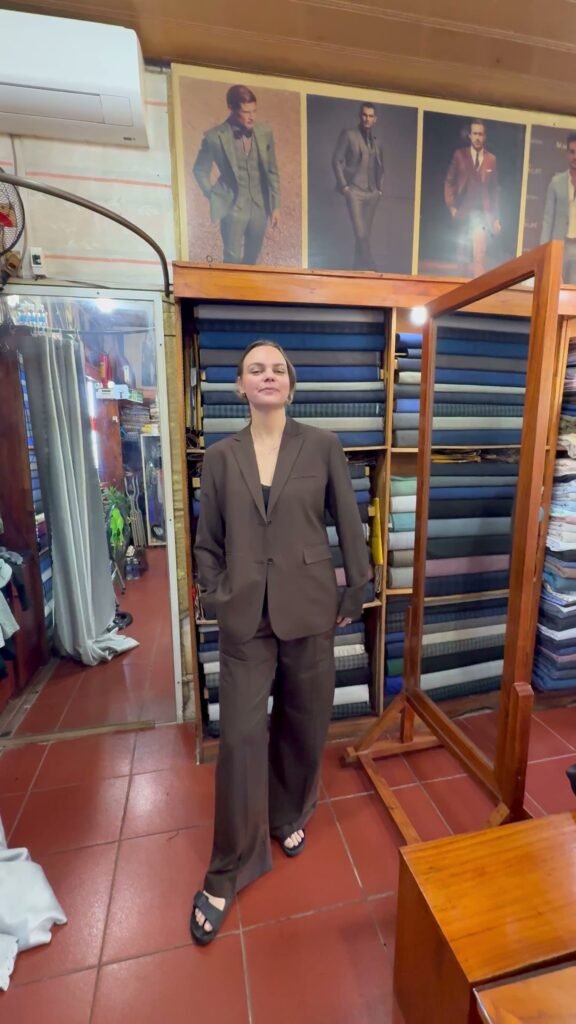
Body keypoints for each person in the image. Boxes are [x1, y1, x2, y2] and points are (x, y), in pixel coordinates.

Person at [190, 340, 371, 944]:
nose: (267, 376)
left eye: (277, 369)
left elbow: (348, 521)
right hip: (245, 616)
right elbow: (208, 540)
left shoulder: (322, 446)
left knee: (304, 719)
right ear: (240, 386)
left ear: (290, 384)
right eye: (255, 369)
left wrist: (355, 591)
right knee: (241, 738)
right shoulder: (221, 457)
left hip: (310, 607)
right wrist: (217, 594)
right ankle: (229, 866)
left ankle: (289, 811)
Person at [192, 84, 281, 265]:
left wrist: (275, 206)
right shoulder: (214, 137)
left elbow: (272, 170)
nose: (251, 117)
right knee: (231, 259)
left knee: (252, 259)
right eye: (246, 112)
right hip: (232, 208)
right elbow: (200, 169)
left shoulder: (264, 132)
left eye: (254, 111)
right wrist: (213, 195)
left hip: (259, 208)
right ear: (231, 108)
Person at [444, 118, 501, 277]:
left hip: (481, 215)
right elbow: (449, 180)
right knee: (461, 258)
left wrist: (496, 218)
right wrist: (452, 206)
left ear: (485, 136)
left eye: (480, 134)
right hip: (463, 212)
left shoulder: (491, 159)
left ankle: (478, 288)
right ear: (469, 135)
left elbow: (495, 191)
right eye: (475, 134)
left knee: (479, 258)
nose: (477, 138)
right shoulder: (460, 155)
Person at [332, 102, 385, 270]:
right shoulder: (349, 135)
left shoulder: (377, 141)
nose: (367, 119)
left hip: (372, 194)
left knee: (364, 236)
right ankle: (372, 265)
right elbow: (337, 160)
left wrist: (379, 190)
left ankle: (357, 268)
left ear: (375, 119)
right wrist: (344, 187)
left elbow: (381, 166)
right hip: (354, 191)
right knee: (361, 234)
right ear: (360, 116)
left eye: (370, 116)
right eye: (364, 115)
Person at [540, 132, 576, 283]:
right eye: (572, 152)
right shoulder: (556, 182)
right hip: (559, 245)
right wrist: (543, 253)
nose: (575, 157)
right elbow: (548, 220)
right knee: (555, 288)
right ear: (567, 154)